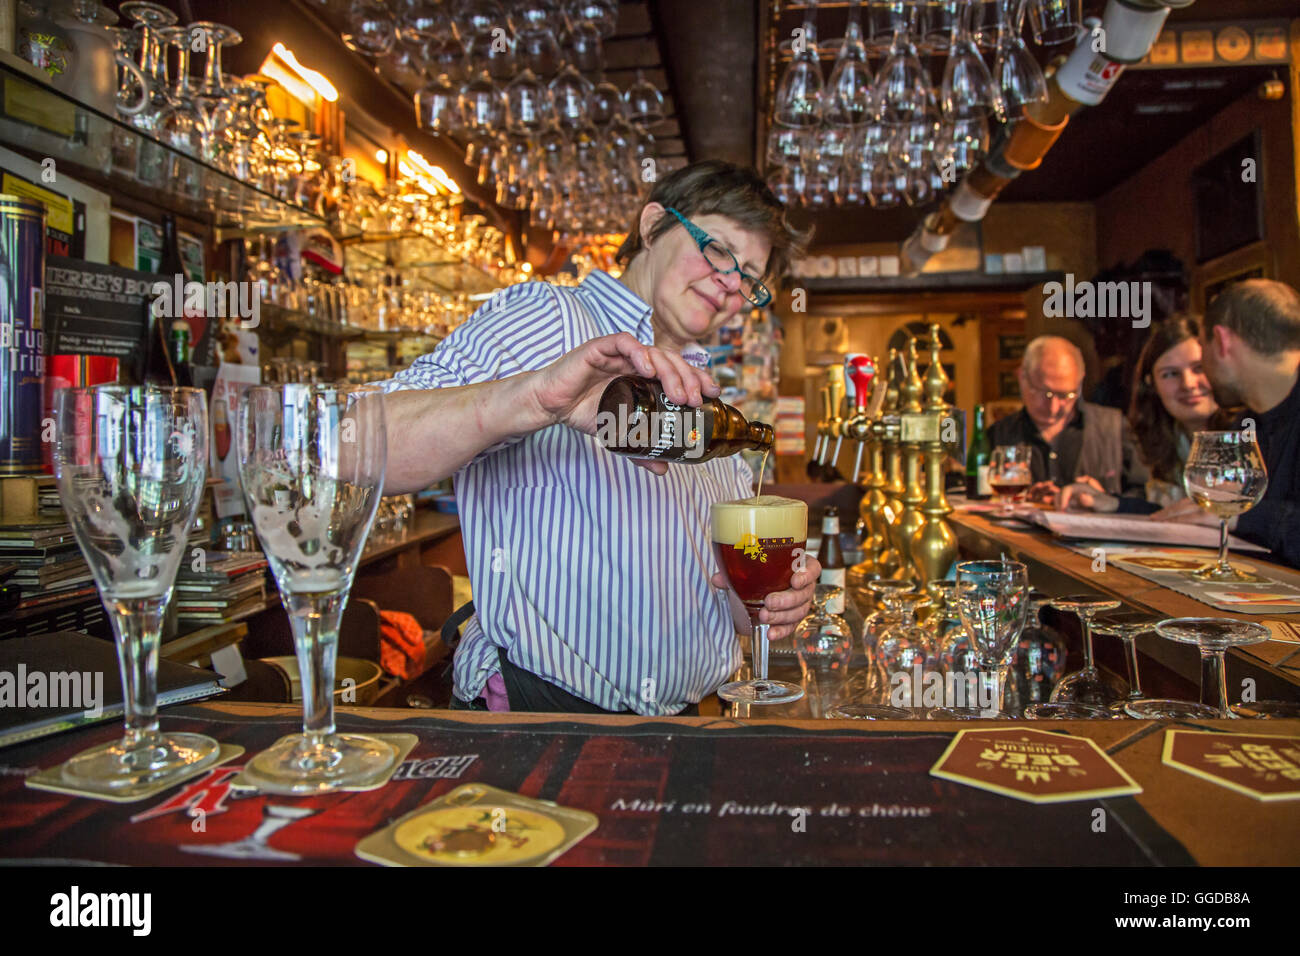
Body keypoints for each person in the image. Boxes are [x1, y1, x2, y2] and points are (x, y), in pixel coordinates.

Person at [376, 160, 818, 715]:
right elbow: (358, 448)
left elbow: (719, 600)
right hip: (548, 716)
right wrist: (532, 399)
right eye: (720, 251)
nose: (732, 285)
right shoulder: (548, 319)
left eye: (750, 279)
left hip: (690, 724)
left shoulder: (706, 399)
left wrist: (766, 600)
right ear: (654, 225)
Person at [1150, 279, 1300, 570]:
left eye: (1201, 350)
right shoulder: (1247, 424)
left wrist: (1241, 515)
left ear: (1221, 341)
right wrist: (1119, 507)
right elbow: (1198, 513)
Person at [1056, 315, 1222, 513]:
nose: (1188, 384)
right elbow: (1166, 513)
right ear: (1151, 384)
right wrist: (1109, 502)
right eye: (1170, 374)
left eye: (1199, 368)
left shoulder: (1251, 435)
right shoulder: (1165, 441)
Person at [987, 335, 1149, 500]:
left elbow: (1143, 497)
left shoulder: (1113, 427)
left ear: (1080, 382)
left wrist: (1106, 501)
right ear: (1022, 378)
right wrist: (1023, 500)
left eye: (1066, 395)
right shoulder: (998, 434)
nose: (1054, 407)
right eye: (1045, 393)